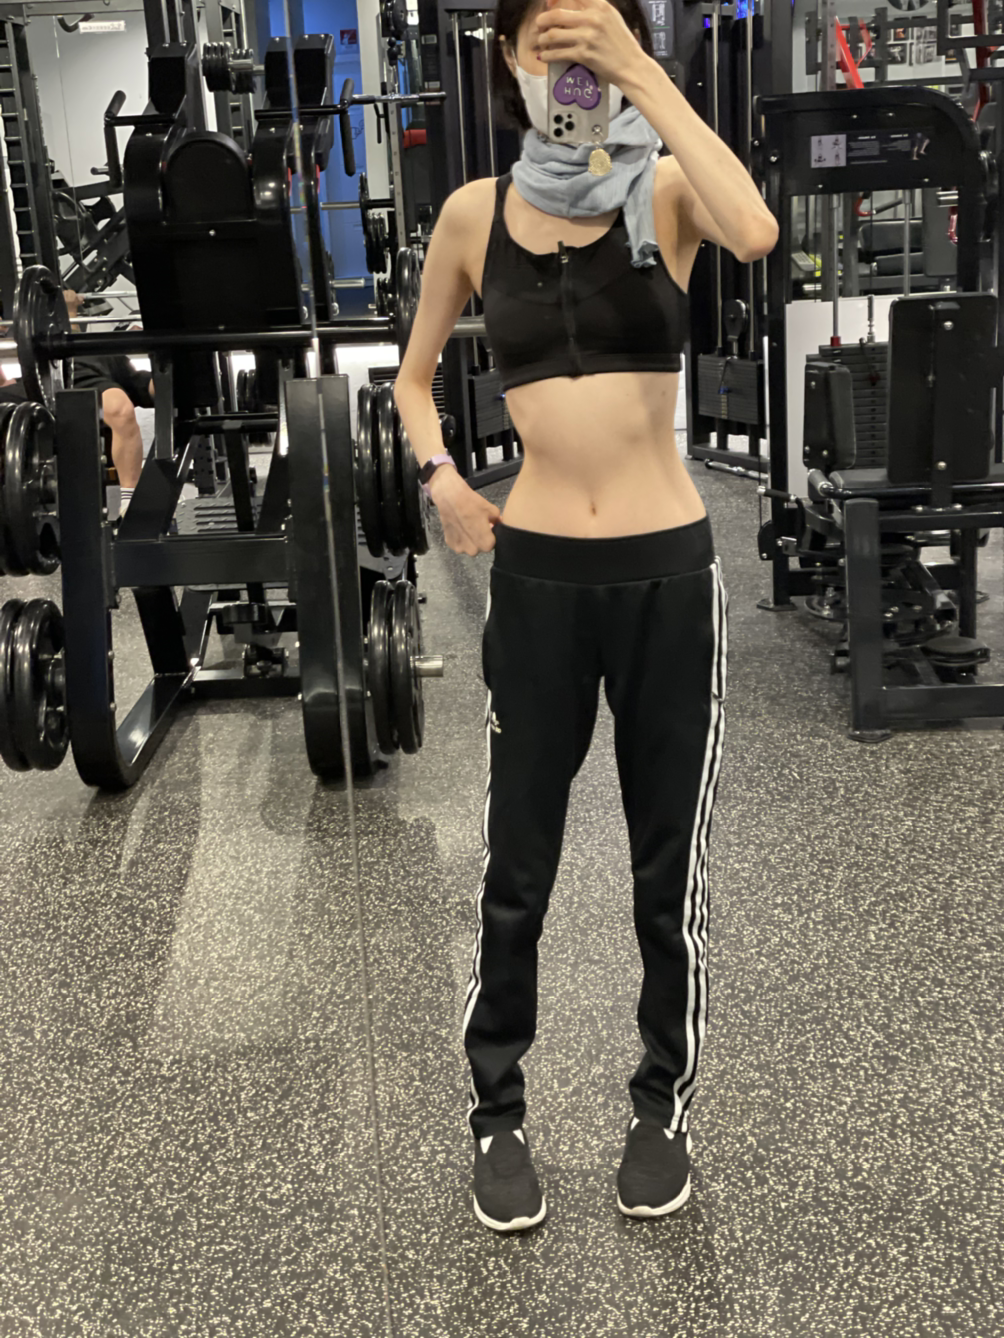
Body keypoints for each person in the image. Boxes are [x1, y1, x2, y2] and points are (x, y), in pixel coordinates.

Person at [394, 0, 777, 1233]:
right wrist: (443, 478)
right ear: (507, 62)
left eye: (585, 40)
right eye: (545, 45)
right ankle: (496, 1113)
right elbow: (410, 381)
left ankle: (660, 1107)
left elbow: (755, 229)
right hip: (539, 581)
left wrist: (642, 75)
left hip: (666, 575)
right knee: (516, 866)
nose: (567, 68)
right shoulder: (471, 215)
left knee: (668, 870)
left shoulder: (662, 192)